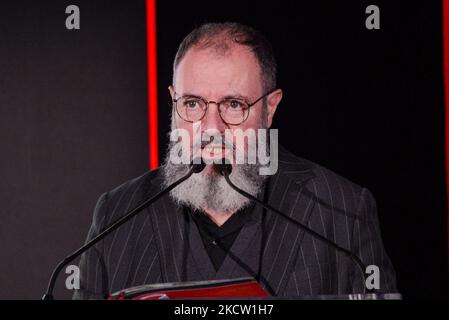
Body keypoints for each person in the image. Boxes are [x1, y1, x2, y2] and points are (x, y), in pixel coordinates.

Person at [74, 22, 397, 299]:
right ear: (173, 100)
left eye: (233, 105)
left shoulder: (343, 210)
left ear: (269, 109)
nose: (211, 128)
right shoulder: (117, 216)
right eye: (192, 104)